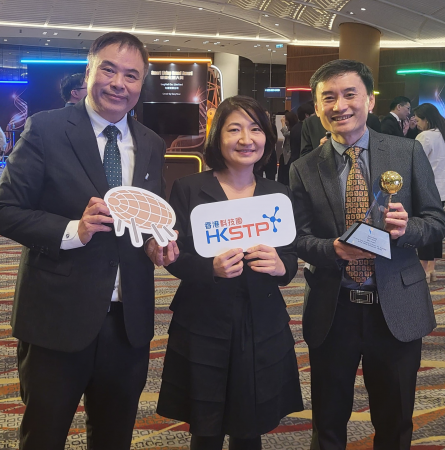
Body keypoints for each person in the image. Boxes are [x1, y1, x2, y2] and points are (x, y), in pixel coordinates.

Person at [0, 32, 166, 449]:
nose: (118, 83)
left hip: (129, 323)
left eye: (131, 75)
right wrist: (74, 229)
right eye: (108, 69)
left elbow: (145, 218)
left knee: (114, 437)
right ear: (88, 71)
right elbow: (6, 208)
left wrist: (156, 243)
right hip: (57, 317)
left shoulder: (150, 143)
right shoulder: (47, 128)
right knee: (44, 435)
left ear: (140, 83)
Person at [288, 59, 445, 449]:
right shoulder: (304, 168)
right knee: (327, 421)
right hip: (334, 308)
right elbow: (298, 238)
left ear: (369, 100)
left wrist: (407, 228)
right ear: (318, 106)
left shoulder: (406, 152)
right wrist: (333, 249)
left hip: (395, 305)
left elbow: (437, 222)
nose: (339, 105)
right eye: (329, 97)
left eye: (349, 94)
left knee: (394, 423)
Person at [154, 95, 303, 450]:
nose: (246, 139)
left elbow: (291, 255)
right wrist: (209, 268)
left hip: (261, 320)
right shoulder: (189, 189)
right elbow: (175, 255)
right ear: (218, 137)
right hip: (203, 320)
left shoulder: (277, 194)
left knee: (251, 422)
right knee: (205, 426)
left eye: (255, 129)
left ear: (267, 137)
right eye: (234, 129)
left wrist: (283, 267)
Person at [413, 103, 445, 281]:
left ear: (426, 119)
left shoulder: (425, 137)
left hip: (425, 189)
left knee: (424, 229)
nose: (416, 123)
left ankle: (423, 269)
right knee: (436, 227)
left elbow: (415, 162)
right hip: (442, 189)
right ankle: (432, 267)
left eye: (418, 120)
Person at [278, 110, 297, 186]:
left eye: (285, 120)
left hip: (289, 155)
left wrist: (282, 124)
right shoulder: (290, 128)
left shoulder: (294, 129)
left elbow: (286, 134)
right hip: (285, 153)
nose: (284, 121)